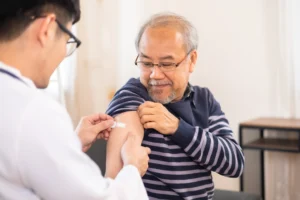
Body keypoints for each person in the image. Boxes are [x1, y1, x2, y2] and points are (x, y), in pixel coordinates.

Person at [0, 1, 151, 200]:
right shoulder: (34, 112)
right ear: (47, 29)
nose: (64, 54)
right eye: (68, 40)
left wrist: (72, 142)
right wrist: (132, 167)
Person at [105, 13, 245, 200]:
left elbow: (234, 164)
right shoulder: (132, 97)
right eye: (146, 63)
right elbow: (115, 183)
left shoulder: (204, 99)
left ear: (192, 60)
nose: (155, 74)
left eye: (167, 64)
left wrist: (178, 128)